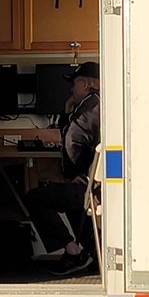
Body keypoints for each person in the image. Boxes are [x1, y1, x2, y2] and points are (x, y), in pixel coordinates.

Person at [25, 61, 100, 276]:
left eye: (74, 83)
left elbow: (72, 142)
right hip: (95, 184)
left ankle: (74, 252)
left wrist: (72, 174)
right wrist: (67, 113)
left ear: (85, 84)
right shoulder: (94, 106)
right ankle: (91, 252)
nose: (70, 89)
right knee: (67, 197)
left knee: (36, 198)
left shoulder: (87, 112)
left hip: (89, 186)